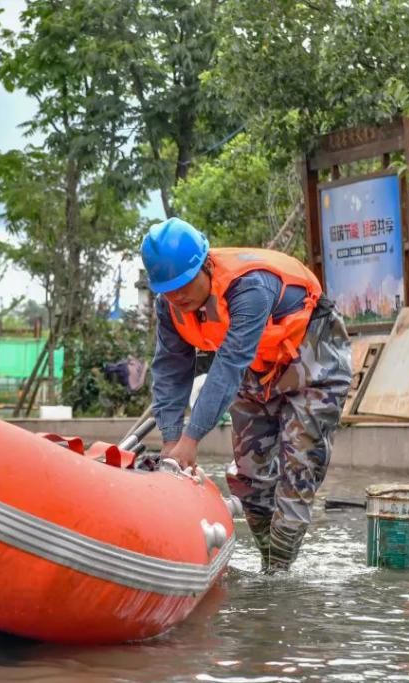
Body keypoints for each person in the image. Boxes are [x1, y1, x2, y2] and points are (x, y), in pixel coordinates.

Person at [143, 217, 351, 574]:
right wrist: (171, 438)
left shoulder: (250, 287)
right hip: (258, 369)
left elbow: (228, 365)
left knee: (298, 469)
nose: (178, 296)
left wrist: (192, 440)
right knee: (248, 478)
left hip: (312, 358)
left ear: (206, 265)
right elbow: (170, 369)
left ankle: (280, 577)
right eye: (169, 290)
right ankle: (270, 564)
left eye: (185, 285)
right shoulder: (169, 307)